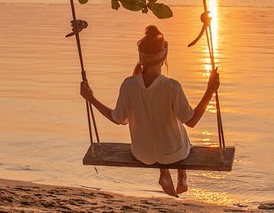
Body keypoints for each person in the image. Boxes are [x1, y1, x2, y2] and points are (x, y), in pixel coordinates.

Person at [80, 25, 220, 198]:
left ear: (141, 58)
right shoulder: (172, 87)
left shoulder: (128, 84)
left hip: (142, 154)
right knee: (180, 127)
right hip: (174, 154)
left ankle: (164, 174)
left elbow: (118, 119)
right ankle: (182, 176)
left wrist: (91, 98)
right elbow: (191, 121)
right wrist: (210, 90)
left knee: (155, 122)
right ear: (164, 56)